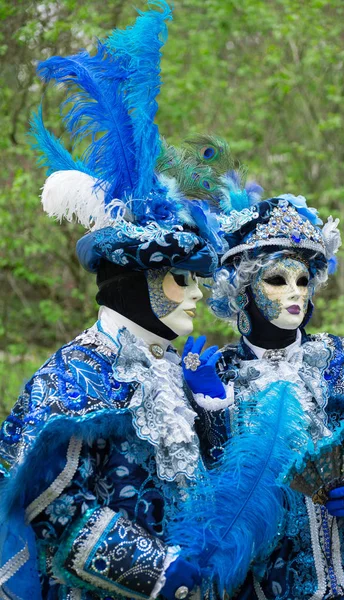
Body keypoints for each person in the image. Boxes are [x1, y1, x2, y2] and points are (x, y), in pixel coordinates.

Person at [0, 3, 235, 598]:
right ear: (137, 282)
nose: (199, 292)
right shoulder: (73, 376)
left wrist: (214, 415)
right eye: (184, 277)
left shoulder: (174, 375)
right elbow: (48, 503)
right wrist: (154, 570)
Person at [183, 189, 344, 599]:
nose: (296, 292)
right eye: (276, 279)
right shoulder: (217, 374)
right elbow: (201, 491)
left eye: (303, 279)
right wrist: (212, 412)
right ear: (241, 292)